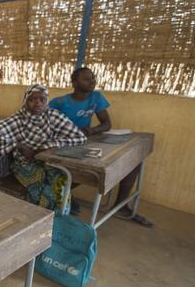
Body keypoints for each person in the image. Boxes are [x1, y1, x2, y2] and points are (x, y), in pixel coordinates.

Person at [50, 67, 153, 226]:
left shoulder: (96, 98)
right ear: (75, 83)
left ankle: (122, 205)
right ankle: (66, 193)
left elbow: (106, 124)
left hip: (86, 140)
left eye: (93, 78)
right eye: (86, 79)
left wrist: (91, 130)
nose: (92, 81)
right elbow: (47, 126)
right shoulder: (59, 102)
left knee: (132, 163)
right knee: (84, 170)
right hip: (64, 144)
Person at [0, 84, 86, 212]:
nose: (37, 104)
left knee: (60, 184)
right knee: (41, 187)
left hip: (50, 163)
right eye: (32, 100)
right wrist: (19, 146)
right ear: (25, 102)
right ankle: (42, 218)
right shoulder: (19, 119)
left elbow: (79, 137)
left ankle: (57, 217)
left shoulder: (53, 116)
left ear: (47, 101)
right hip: (24, 164)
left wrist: (49, 146)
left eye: (42, 100)